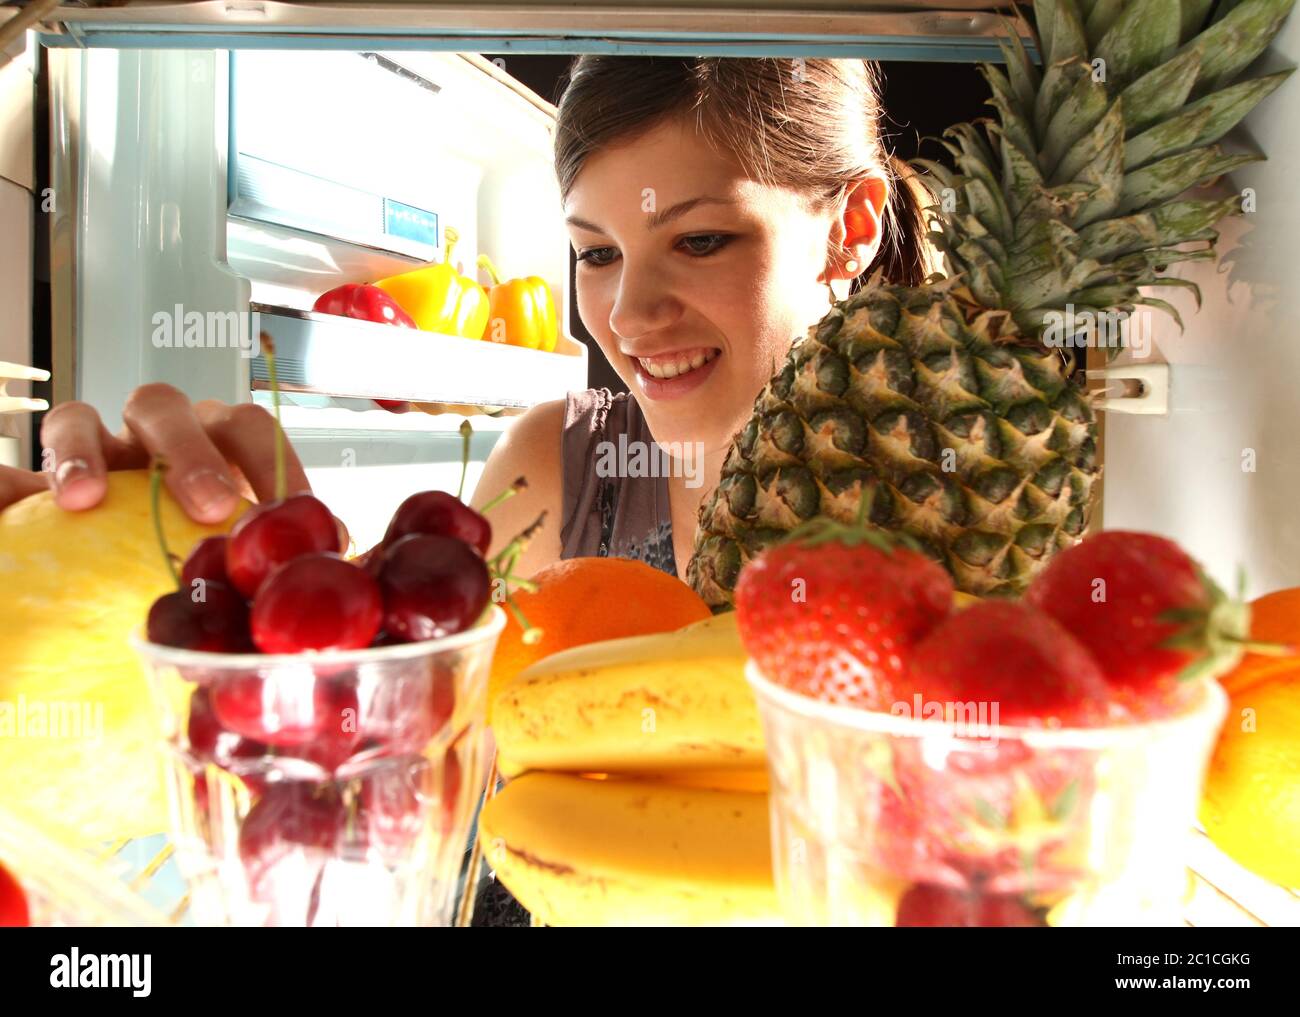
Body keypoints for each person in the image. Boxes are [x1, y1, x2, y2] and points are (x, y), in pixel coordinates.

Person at [0, 56, 933, 584]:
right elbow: (383, 742)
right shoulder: (554, 470)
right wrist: (189, 568)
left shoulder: (973, 495)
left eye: (699, 242)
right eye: (597, 253)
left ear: (849, 228)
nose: (630, 317)